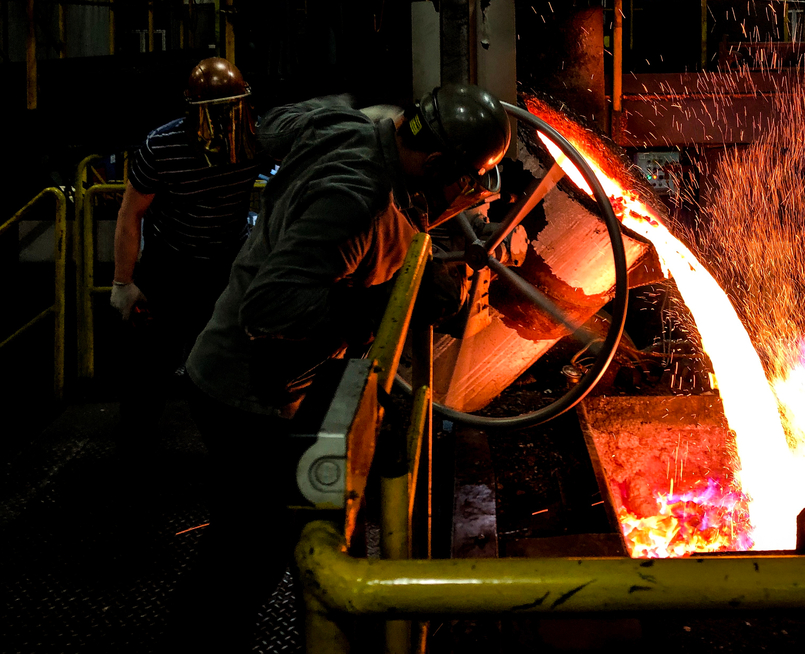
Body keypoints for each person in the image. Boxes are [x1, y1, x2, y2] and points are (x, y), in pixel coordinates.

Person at [172, 84, 510, 649]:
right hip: (248, 392)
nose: (466, 193)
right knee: (245, 558)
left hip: (230, 369)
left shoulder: (341, 124)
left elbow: (272, 124)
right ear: (432, 162)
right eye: (464, 179)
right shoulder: (358, 199)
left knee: (238, 539)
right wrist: (380, 300)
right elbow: (272, 308)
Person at [109, 57, 264, 450]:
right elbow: (131, 213)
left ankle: (226, 449)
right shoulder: (161, 146)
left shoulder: (253, 138)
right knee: (148, 365)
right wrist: (123, 282)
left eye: (230, 112)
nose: (223, 124)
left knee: (222, 364)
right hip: (170, 264)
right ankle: (134, 446)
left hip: (226, 264)